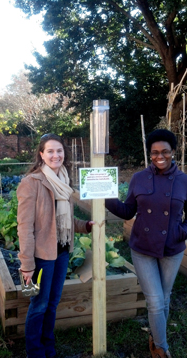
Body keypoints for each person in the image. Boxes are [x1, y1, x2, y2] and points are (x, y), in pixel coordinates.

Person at [105, 129, 187, 358]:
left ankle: (155, 337)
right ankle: (162, 349)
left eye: (165, 152)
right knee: (154, 300)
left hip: (172, 248)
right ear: (149, 154)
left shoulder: (184, 181)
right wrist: (105, 195)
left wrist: (182, 231)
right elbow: (127, 210)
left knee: (165, 297)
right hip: (143, 247)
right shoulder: (139, 178)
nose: (160, 156)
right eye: (154, 153)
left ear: (173, 152)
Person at [17, 133, 94, 358]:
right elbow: (25, 227)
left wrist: (85, 225)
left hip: (61, 251)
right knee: (39, 304)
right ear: (41, 154)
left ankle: (48, 347)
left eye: (59, 151)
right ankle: (35, 351)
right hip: (41, 255)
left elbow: (64, 221)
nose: (55, 155)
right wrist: (27, 264)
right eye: (50, 151)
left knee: (52, 303)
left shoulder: (63, 180)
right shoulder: (32, 183)